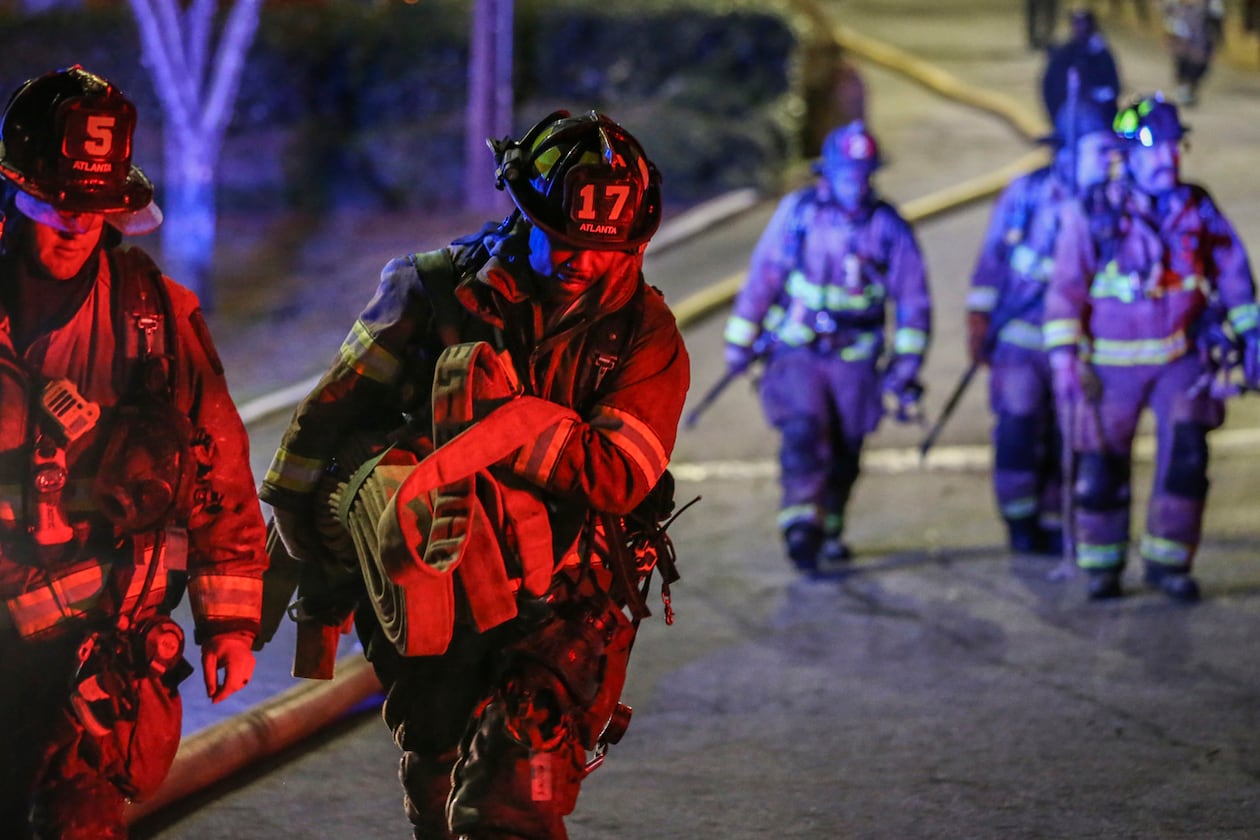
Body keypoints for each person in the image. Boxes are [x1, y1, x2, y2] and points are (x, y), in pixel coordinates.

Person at [261, 110, 689, 840]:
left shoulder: (644, 337)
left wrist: (509, 420)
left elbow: (618, 475)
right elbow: (322, 422)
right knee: (438, 758)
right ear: (522, 214)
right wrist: (300, 553)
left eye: (610, 247)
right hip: (430, 581)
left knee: (516, 794)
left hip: (567, 598)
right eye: (565, 239)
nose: (586, 260)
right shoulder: (429, 291)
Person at [0, 66, 268, 839]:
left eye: (94, 206)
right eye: (57, 204)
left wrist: (228, 621)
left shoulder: (150, 313)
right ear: (15, 188)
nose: (76, 225)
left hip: (93, 657)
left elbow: (216, 462)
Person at [1044, 93, 1259, 602]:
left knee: (1186, 461)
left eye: (1172, 148)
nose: (1167, 160)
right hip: (1111, 366)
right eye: (1154, 151)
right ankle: (1102, 564)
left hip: (1179, 360)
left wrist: (1252, 335)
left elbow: (1232, 274)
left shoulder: (1197, 207)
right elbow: (1065, 290)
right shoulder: (1094, 213)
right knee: (1100, 470)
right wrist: (1063, 359)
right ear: (1127, 157)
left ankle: (1168, 563)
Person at [723, 120, 931, 575]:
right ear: (828, 173)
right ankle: (802, 525)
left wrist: (905, 365)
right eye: (846, 173)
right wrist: (740, 342)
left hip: (856, 359)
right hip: (798, 351)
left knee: (845, 448)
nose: (855, 183)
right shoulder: (799, 214)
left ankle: (830, 523)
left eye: (863, 173)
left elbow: (913, 300)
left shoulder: (888, 227)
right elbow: (764, 276)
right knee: (802, 432)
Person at [966, 97, 1119, 556]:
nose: (1112, 161)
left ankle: (1056, 522)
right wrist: (979, 322)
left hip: (1074, 348)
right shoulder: (1027, 194)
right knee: (1017, 431)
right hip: (1019, 338)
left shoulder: (1112, 204)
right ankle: (1019, 522)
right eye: (1100, 151)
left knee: (1064, 436)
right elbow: (992, 262)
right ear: (1069, 154)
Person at [1041, 8, 1122, 121]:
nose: (1079, 29)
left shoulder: (1101, 54)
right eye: (1076, 24)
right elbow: (1051, 85)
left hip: (1098, 114)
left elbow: (1113, 86)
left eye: (1083, 25)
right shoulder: (1065, 53)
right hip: (1070, 114)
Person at [1162, 0, 1226, 105]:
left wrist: (1218, 40)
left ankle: (1190, 89)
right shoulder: (1176, 5)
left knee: (1199, 68)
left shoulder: (1212, 4)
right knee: (1183, 65)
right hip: (1182, 43)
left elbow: (1216, 22)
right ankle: (1184, 89)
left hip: (1201, 43)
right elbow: (1169, 17)